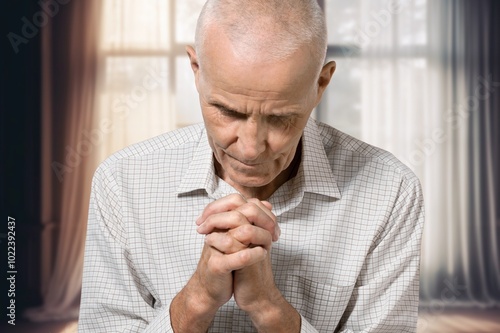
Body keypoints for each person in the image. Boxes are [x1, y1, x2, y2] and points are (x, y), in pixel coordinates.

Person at [78, 0, 425, 332]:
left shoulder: (390, 191)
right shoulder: (122, 181)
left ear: (321, 84)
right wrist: (196, 301)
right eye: (228, 112)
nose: (250, 148)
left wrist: (269, 308)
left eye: (280, 118)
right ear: (196, 70)